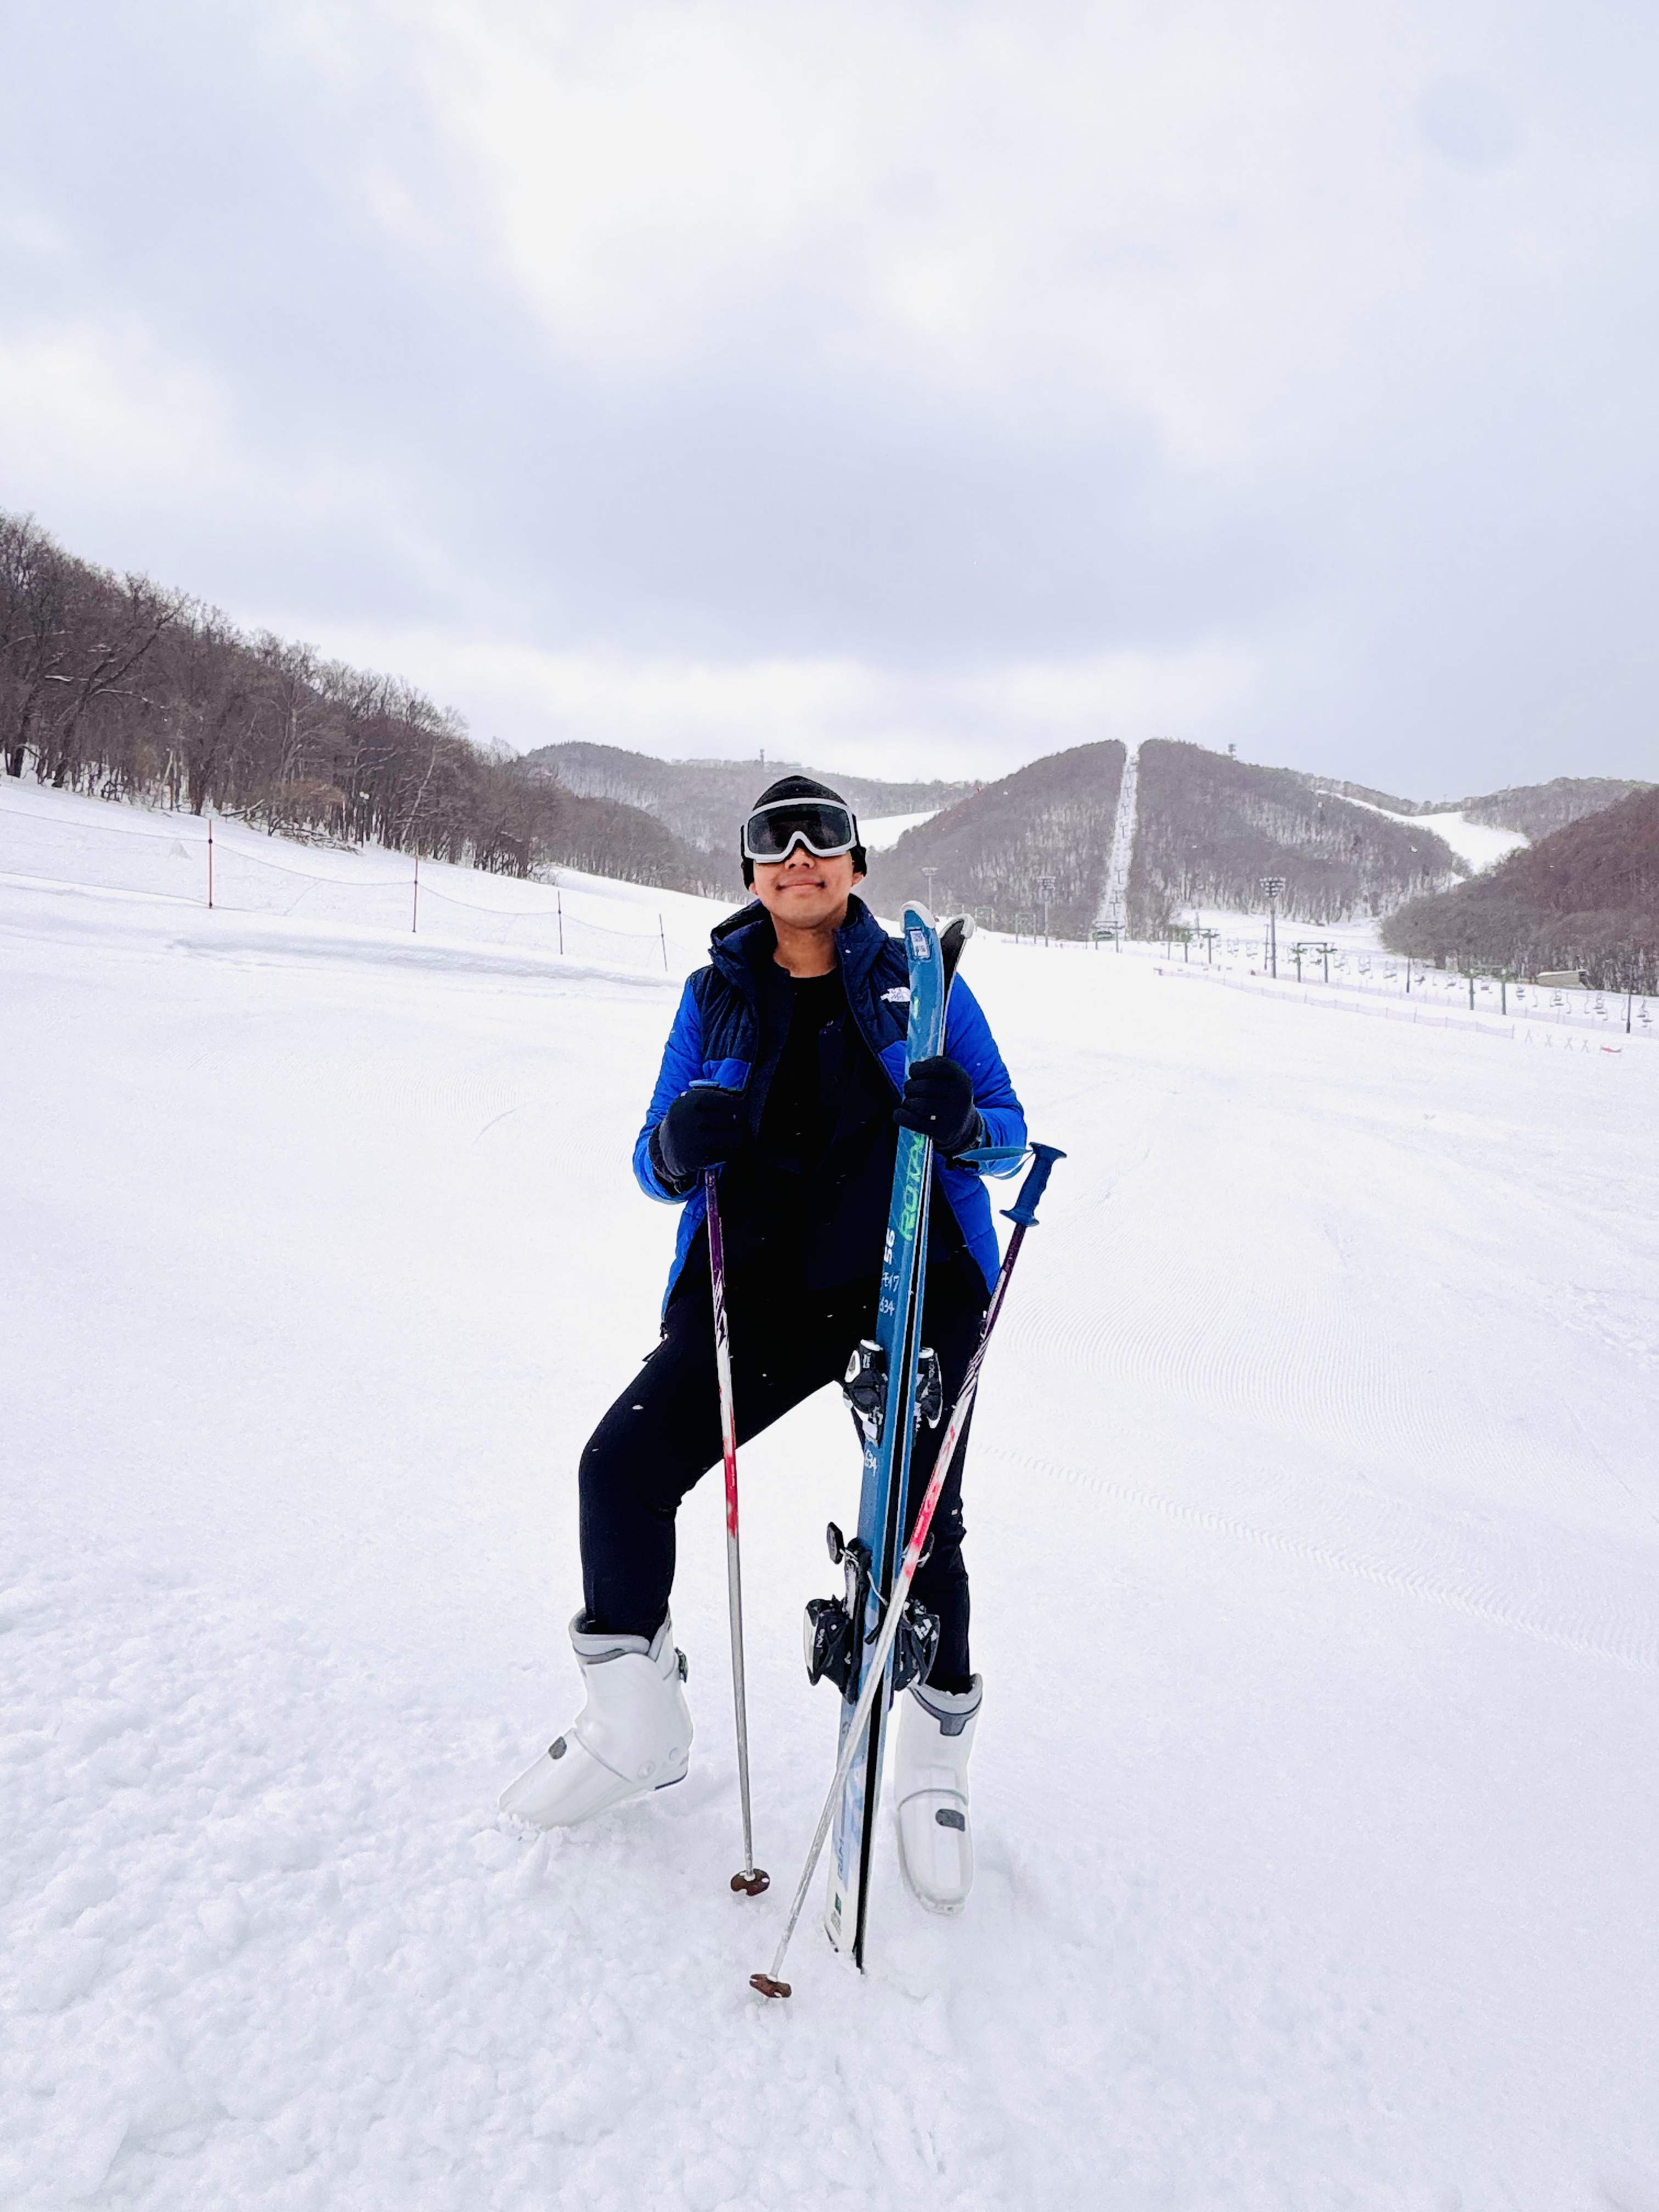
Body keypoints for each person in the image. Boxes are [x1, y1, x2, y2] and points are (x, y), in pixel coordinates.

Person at [500, 776, 1026, 1912]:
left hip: (913, 1283)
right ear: (749, 873)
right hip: (765, 1295)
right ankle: (638, 1718)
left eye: (824, 837)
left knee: (920, 1526)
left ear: (856, 865)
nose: (800, 856)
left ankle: (933, 1759)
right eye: (773, 843)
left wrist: (961, 1122)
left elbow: (1008, 1134)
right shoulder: (718, 995)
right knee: (622, 1469)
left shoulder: (918, 990)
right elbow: (654, 1159)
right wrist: (681, 1145)